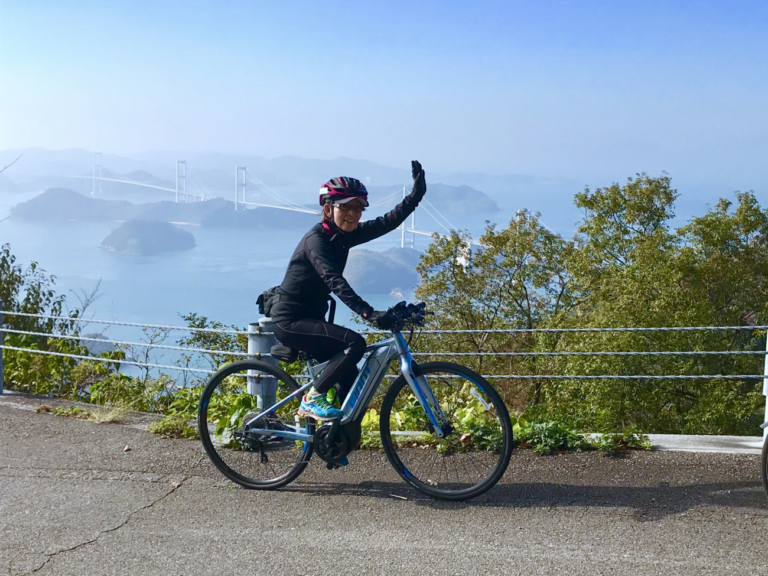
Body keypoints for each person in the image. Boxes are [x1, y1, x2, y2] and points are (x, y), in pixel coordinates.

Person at [270, 160, 427, 420]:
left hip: (313, 319)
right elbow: (334, 281)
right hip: (291, 321)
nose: (353, 214)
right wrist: (368, 313)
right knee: (355, 343)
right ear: (328, 208)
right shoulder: (317, 240)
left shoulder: (342, 235)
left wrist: (416, 196)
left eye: (358, 208)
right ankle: (312, 399)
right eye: (345, 207)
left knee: (351, 383)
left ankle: (337, 435)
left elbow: (386, 222)